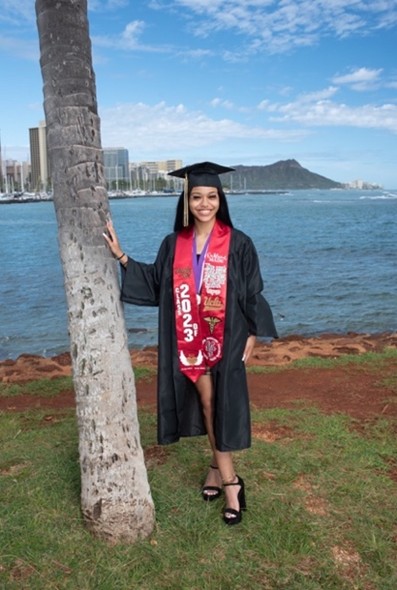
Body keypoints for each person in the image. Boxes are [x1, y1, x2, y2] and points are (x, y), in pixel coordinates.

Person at [104, 161, 277, 525]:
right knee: (209, 400)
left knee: (218, 402)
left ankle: (218, 470)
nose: (204, 203)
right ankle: (233, 483)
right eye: (197, 196)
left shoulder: (238, 243)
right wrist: (121, 256)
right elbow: (155, 283)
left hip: (225, 336)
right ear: (187, 201)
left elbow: (251, 290)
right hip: (189, 338)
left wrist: (252, 332)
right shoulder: (174, 244)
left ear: (220, 199)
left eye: (211, 196)